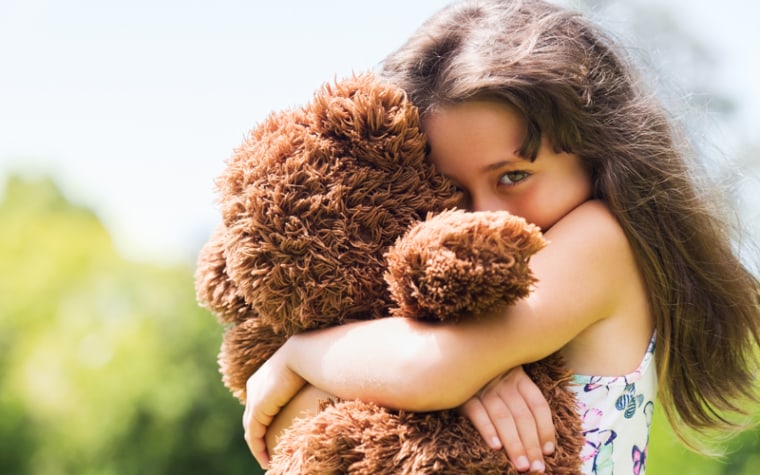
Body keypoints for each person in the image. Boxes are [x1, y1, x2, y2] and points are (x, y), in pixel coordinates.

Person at [242, 0, 760, 473]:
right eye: (451, 188)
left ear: (597, 152)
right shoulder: (421, 322)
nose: (486, 215)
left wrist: (299, 355)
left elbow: (427, 369)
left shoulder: (604, 242)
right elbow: (292, 431)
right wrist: (459, 385)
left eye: (513, 176)